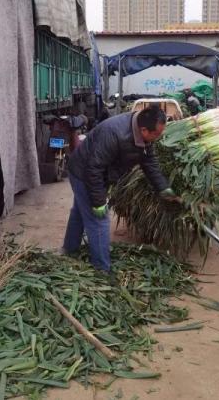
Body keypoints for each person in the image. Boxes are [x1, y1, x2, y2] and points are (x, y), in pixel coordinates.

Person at [62, 106, 176, 275]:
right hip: (83, 172)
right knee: (99, 220)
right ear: (144, 129)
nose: (158, 138)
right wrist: (99, 201)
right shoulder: (114, 133)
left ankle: (69, 251)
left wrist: (163, 187)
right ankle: (102, 269)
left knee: (80, 211)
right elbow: (94, 169)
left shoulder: (144, 136)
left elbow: (149, 162)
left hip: (99, 172)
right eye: (156, 135)